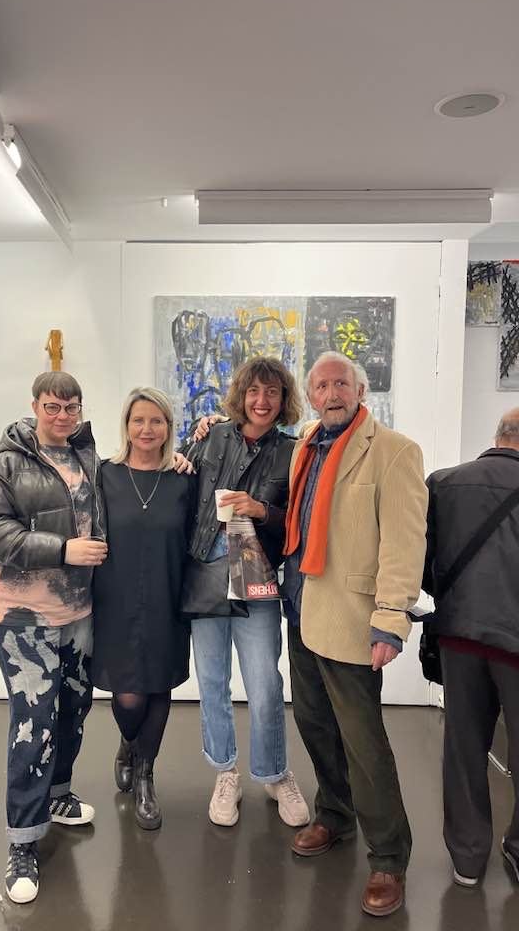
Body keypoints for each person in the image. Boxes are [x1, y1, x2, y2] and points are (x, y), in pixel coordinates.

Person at [282, 351, 427, 917]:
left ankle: (388, 857)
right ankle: (335, 815)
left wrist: (391, 619)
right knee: (315, 725)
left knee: (363, 743)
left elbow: (404, 544)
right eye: (321, 386)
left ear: (360, 390)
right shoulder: (306, 443)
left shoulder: (394, 451)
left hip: (352, 618)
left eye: (341, 383)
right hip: (302, 610)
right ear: (311, 396)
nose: (332, 393)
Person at [0, 371, 107, 905]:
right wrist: (61, 549)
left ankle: (57, 794)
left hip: (78, 612)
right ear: (35, 406)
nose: (63, 416)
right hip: (23, 616)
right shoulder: (5, 465)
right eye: (53, 406)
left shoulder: (87, 457)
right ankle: (22, 842)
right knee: (34, 722)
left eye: (71, 407)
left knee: (73, 710)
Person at [181, 356, 310, 829]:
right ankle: (225, 772)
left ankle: (274, 773)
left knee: (265, 683)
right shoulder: (212, 436)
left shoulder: (294, 452)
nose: (262, 400)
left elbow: (301, 520)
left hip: (256, 576)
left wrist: (261, 509)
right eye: (254, 390)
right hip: (205, 570)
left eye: (272, 392)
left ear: (284, 399)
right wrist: (186, 445)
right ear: (241, 394)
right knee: (213, 682)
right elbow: (179, 479)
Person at [424, 408, 519, 888]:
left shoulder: (443, 483)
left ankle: (467, 858)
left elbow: (424, 562)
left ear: (498, 436)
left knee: (463, 747)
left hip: (459, 637)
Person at [91, 387, 194, 830]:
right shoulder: (104, 474)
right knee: (128, 695)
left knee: (157, 685)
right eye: (139, 420)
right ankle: (129, 742)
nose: (147, 429)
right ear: (126, 426)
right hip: (114, 598)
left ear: (168, 427)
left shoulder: (184, 479)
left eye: (157, 421)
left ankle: (146, 775)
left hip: (167, 596)